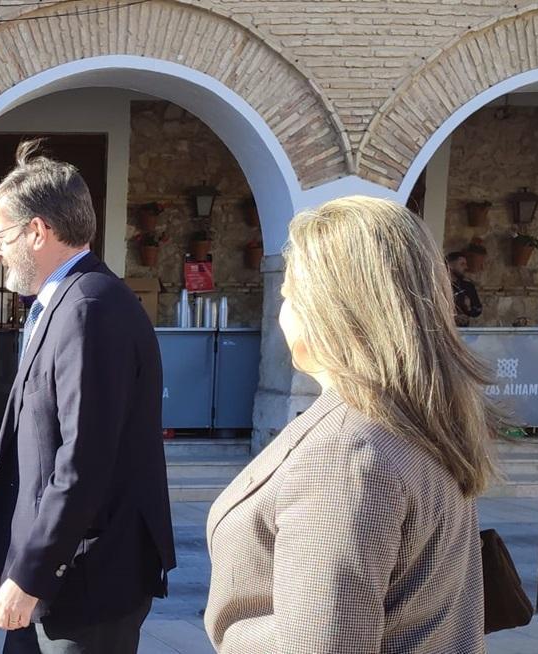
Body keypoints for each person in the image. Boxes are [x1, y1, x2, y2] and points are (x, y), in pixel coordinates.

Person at [204, 196, 496, 653]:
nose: (283, 312)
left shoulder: (347, 454)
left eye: (287, 295)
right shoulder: (408, 417)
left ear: (327, 308)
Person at [0, 141, 176, 654]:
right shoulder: (66, 301)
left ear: (38, 231)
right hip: (60, 577)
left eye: (0, 236)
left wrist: (31, 573)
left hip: (84, 581)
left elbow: (83, 460)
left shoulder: (90, 306)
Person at [448, 251, 482, 326]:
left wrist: (469, 310)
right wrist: (452, 317)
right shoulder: (440, 286)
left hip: (464, 330)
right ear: (450, 265)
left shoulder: (468, 286)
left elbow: (478, 309)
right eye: (462, 264)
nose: (466, 267)